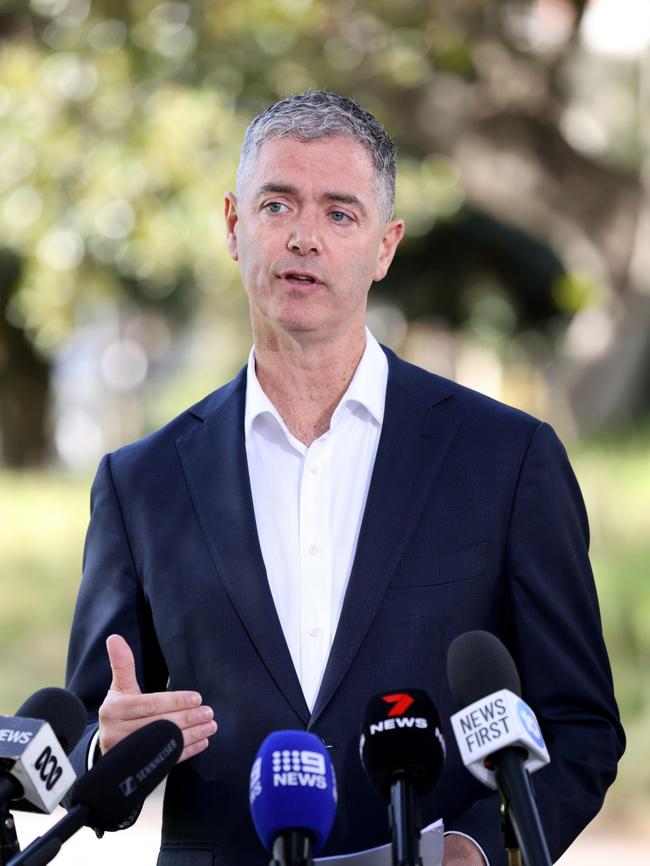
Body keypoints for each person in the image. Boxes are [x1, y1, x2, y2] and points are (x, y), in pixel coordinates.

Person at [66, 91, 624, 866]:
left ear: (385, 246)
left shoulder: (510, 458)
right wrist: (104, 753)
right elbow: (89, 737)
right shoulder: (140, 482)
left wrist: (479, 848)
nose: (303, 237)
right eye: (277, 204)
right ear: (233, 225)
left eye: (339, 213)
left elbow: (581, 728)